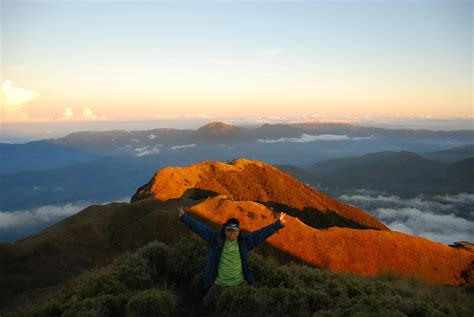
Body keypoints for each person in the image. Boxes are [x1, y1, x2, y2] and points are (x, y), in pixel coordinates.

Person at [177, 206, 286, 308]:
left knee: (241, 308)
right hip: (219, 284)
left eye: (234, 230)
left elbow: (261, 234)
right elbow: (201, 229)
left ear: (238, 232)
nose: (232, 232)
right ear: (225, 231)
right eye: (229, 230)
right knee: (206, 305)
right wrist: (184, 217)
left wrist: (278, 224)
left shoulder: (244, 243)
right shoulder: (216, 241)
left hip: (237, 284)